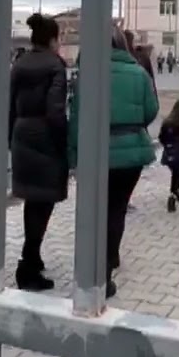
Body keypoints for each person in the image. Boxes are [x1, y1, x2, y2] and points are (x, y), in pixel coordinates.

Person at [68, 27, 159, 298]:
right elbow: (152, 110)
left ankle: (91, 269)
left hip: (95, 152)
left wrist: (73, 156)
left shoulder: (89, 74)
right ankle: (109, 264)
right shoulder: (139, 73)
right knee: (117, 209)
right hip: (131, 153)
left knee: (94, 210)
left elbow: (76, 119)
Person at [8, 13, 69, 292]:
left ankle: (33, 256)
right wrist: (63, 141)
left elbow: (9, 103)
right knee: (42, 204)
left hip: (22, 134)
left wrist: (12, 137)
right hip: (45, 138)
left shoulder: (19, 63)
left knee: (32, 201)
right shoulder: (55, 66)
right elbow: (56, 110)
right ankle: (28, 266)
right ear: (53, 39)